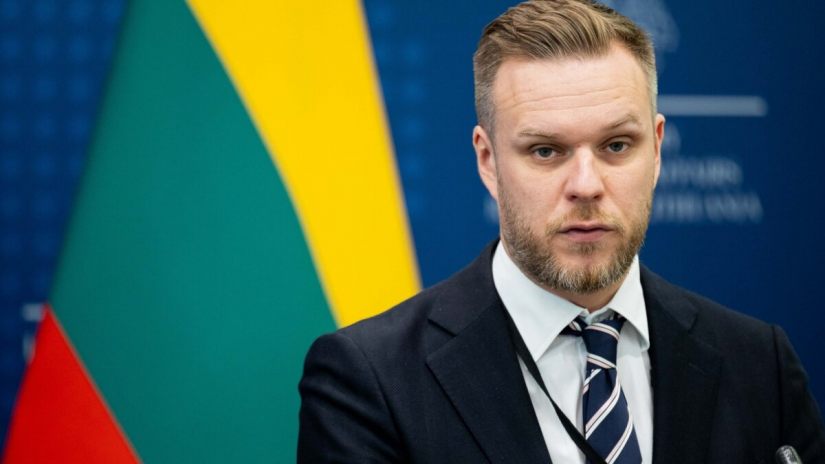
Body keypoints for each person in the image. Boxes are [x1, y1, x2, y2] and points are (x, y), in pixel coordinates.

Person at [297, 1, 825, 462]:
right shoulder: (370, 380)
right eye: (546, 151)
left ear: (658, 148)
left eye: (616, 145)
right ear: (487, 160)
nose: (586, 185)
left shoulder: (761, 365)